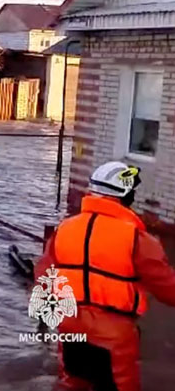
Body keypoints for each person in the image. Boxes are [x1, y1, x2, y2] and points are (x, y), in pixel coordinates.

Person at [35, 161, 175, 391]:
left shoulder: (65, 229)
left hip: (70, 328)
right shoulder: (139, 240)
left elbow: (43, 277)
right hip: (113, 336)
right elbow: (168, 289)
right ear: (126, 195)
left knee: (72, 385)